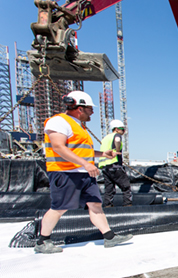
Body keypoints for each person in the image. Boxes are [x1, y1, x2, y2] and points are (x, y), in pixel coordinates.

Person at [35, 91, 133, 254]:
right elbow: (59, 147)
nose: (92, 112)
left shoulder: (78, 126)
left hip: (83, 173)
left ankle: (109, 237)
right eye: (89, 108)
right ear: (79, 108)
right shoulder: (59, 122)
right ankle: (43, 241)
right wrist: (86, 165)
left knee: (95, 204)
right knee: (59, 207)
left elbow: (81, 150)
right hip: (66, 172)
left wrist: (103, 154)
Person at [99, 120, 132, 207]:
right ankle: (127, 205)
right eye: (122, 129)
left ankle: (107, 206)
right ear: (116, 129)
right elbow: (117, 140)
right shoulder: (116, 135)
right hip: (115, 165)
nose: (124, 131)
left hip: (105, 167)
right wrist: (117, 150)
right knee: (126, 187)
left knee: (109, 189)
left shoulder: (105, 138)